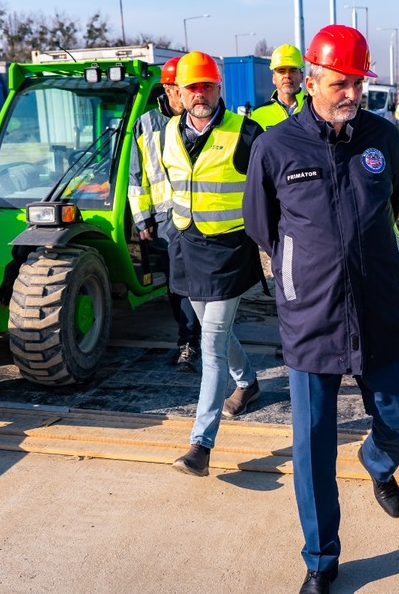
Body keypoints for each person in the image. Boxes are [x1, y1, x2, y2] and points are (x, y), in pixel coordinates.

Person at [243, 24, 399, 594]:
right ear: (312, 80)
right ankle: (321, 561)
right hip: (311, 314)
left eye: (358, 83)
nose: (352, 94)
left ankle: (377, 459)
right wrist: (304, 270)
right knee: (313, 446)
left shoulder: (383, 138)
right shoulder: (274, 147)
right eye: (341, 83)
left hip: (378, 307)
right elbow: (263, 226)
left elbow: (391, 201)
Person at [164, 51, 264, 477]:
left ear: (219, 88)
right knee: (211, 333)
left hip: (228, 252)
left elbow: (270, 189)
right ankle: (249, 383)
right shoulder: (169, 131)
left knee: (211, 345)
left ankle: (200, 445)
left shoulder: (246, 132)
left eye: (207, 85)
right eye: (192, 88)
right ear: (180, 94)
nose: (200, 94)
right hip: (188, 246)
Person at [128, 56, 203, 373]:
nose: (186, 96)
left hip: (199, 216)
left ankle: (197, 340)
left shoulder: (197, 121)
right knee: (178, 286)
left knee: (197, 284)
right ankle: (189, 341)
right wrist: (143, 220)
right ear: (169, 88)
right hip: (165, 221)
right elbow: (137, 177)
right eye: (180, 89)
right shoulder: (146, 124)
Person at [250, 44, 306, 130]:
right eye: (281, 71)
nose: (287, 76)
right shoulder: (258, 114)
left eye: (292, 71)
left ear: (302, 77)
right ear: (273, 78)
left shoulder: (315, 109)